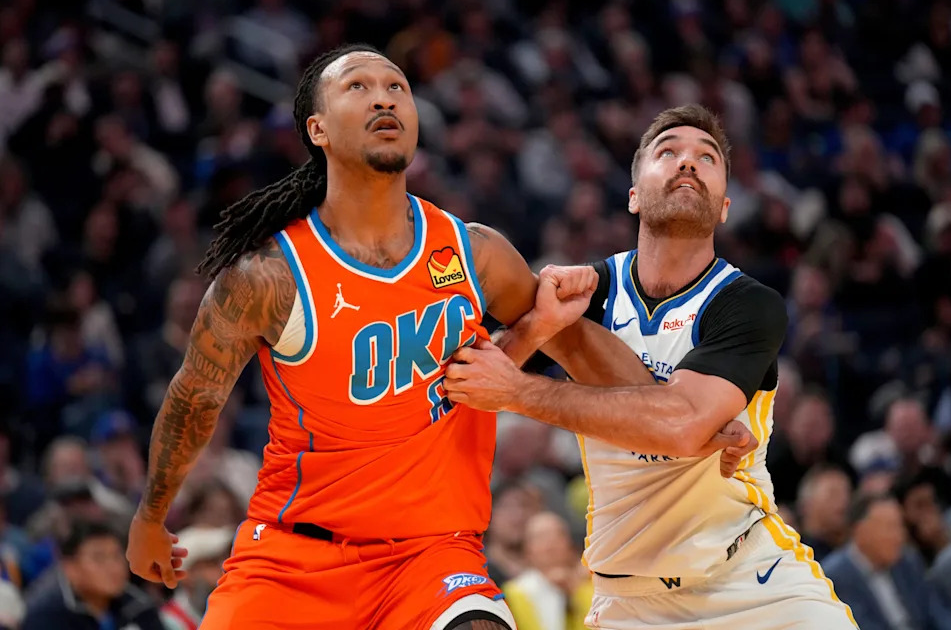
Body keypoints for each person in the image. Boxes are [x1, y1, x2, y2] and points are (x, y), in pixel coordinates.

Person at [125, 45, 754, 630]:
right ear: (317, 130)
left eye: (397, 86)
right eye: (359, 87)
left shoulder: (472, 252)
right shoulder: (267, 278)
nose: (384, 98)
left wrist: (684, 413)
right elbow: (193, 401)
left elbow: (576, 343)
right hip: (294, 556)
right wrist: (152, 518)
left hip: (432, 559)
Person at [444, 105, 859, 628]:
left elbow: (682, 424)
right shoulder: (584, 293)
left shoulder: (747, 303)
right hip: (628, 601)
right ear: (635, 194)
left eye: (706, 158)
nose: (688, 163)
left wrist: (518, 394)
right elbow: (469, 383)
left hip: (753, 580)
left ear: (725, 206)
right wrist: (535, 328)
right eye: (669, 153)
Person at [822, 493, 951, 630]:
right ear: (861, 532)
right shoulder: (834, 578)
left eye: (900, 526)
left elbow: (936, 610)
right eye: (890, 527)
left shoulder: (908, 562)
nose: (900, 536)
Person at [23, 519, 164, 630]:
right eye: (99, 558)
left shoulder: (139, 606)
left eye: (117, 556)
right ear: (70, 568)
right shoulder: (46, 617)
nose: (114, 568)